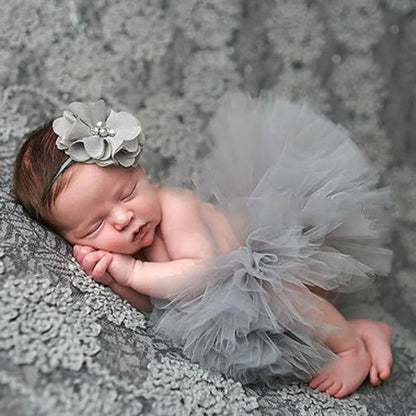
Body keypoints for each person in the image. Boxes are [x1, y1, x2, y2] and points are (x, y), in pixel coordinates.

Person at [12, 96, 393, 398]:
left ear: (140, 172)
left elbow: (202, 272)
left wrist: (132, 272)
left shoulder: (175, 207)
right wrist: (116, 282)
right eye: (96, 226)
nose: (123, 219)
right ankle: (365, 330)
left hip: (280, 269)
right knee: (290, 346)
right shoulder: (131, 245)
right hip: (247, 307)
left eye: (126, 194)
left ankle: (349, 350)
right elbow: (155, 304)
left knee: (284, 296)